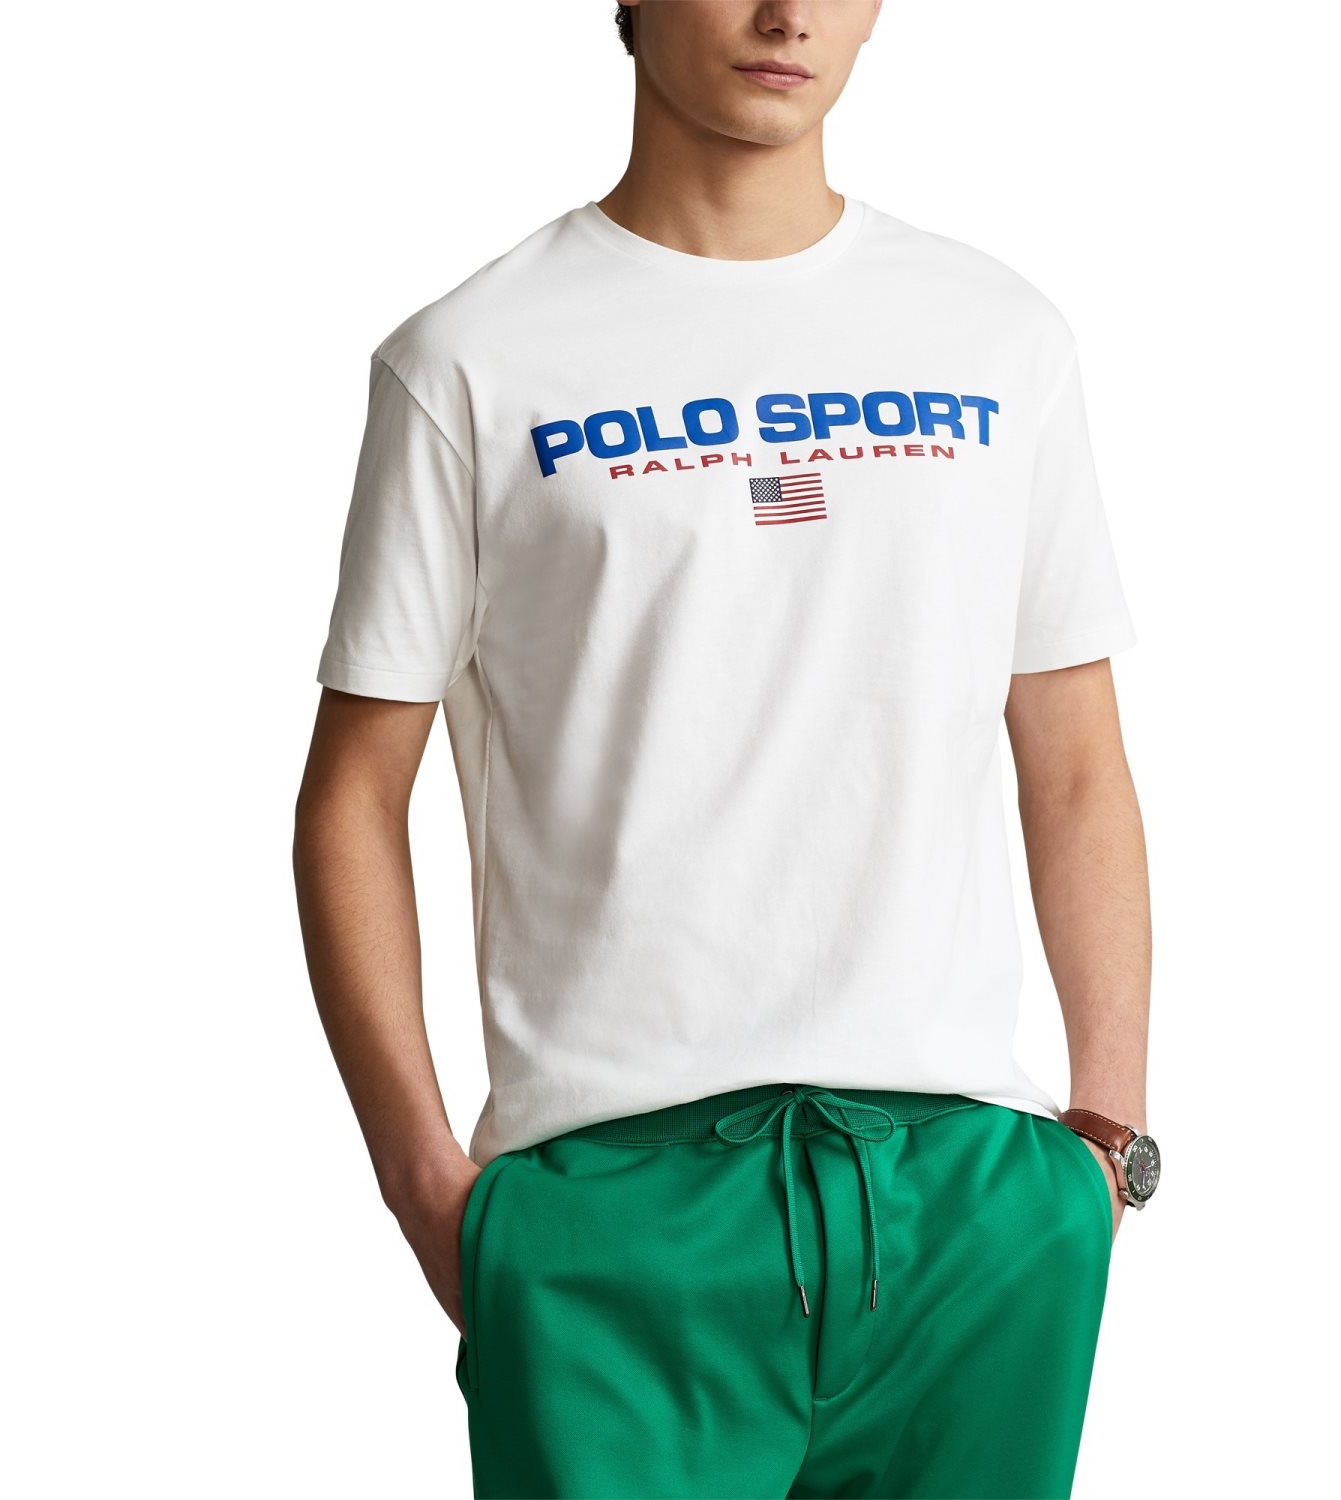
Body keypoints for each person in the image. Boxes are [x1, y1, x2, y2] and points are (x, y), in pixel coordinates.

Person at [292, 3, 1158, 1495]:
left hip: (971, 1203)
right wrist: (425, 1181)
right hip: (615, 1205)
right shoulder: (472, 361)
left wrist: (1104, 1148)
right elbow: (353, 793)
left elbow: (1074, 757)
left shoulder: (1001, 339)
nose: (786, 14)